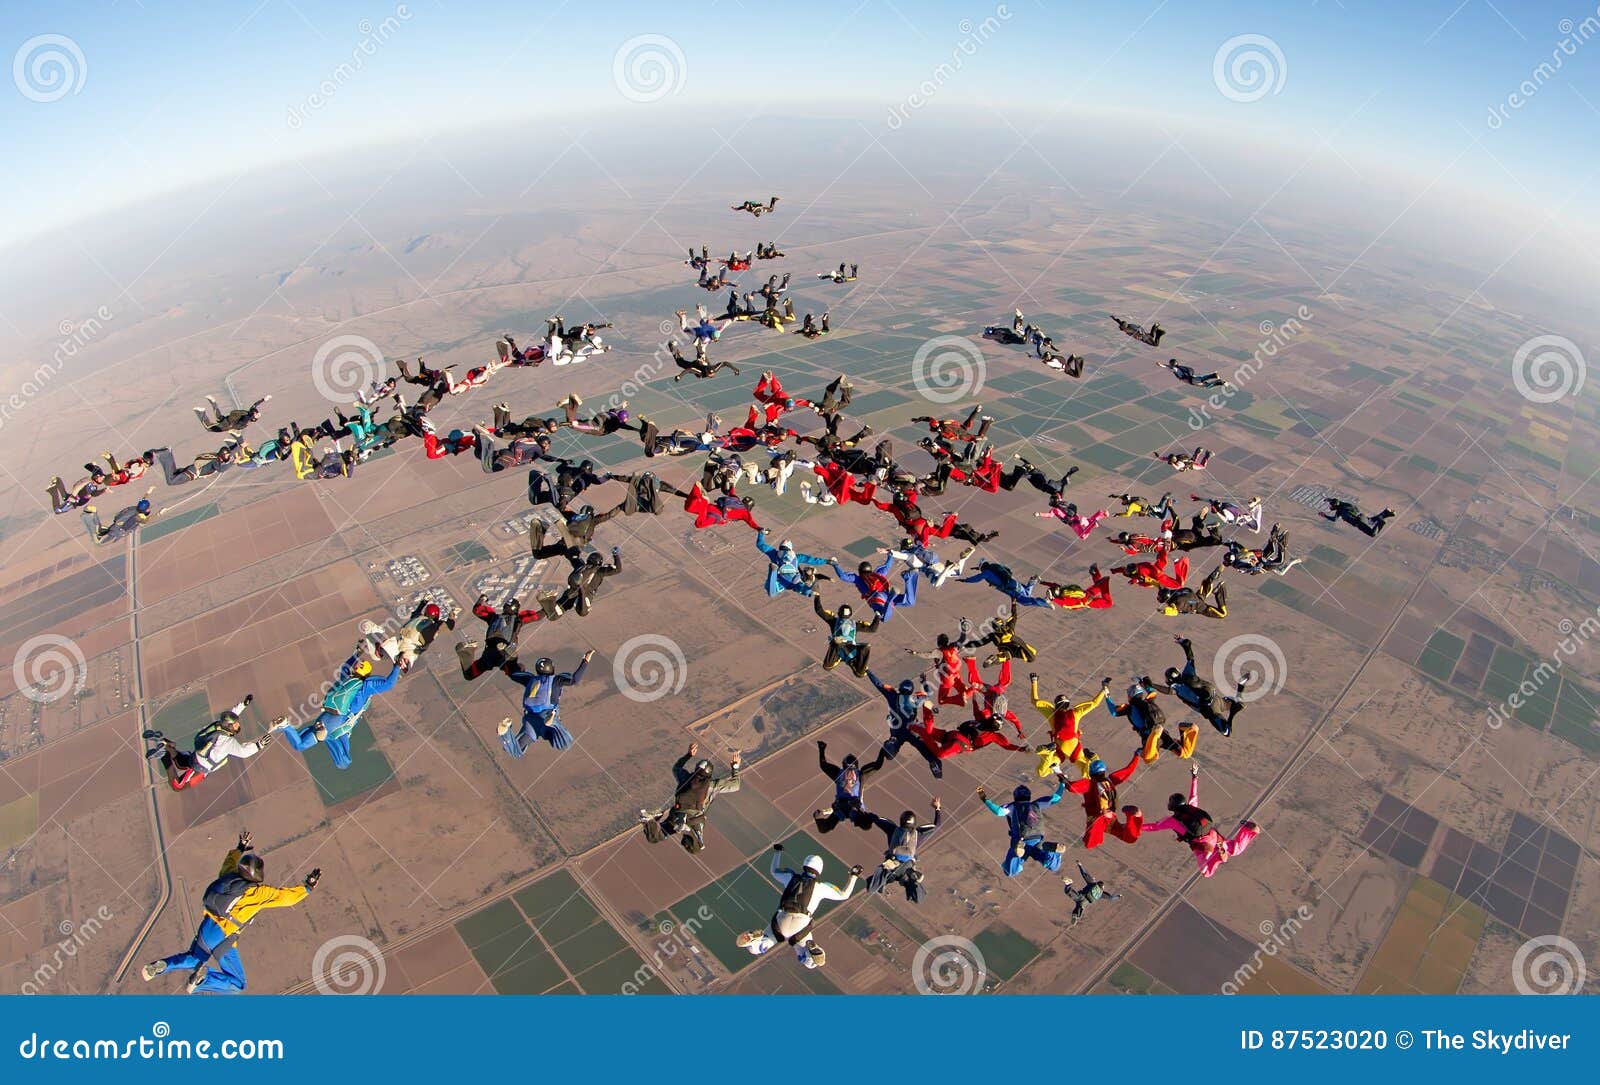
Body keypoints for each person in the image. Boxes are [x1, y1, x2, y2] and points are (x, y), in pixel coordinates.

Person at [140, 830, 320, 994]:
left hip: (214, 930)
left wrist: (240, 848)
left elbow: (229, 862)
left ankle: (162, 967)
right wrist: (307, 887)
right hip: (222, 933)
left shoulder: (229, 876)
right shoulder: (257, 893)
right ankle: (202, 981)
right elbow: (286, 898)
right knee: (236, 984)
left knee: (197, 960)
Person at [274, 646, 401, 769]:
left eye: (357, 665)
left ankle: (286, 727)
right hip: (337, 722)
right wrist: (397, 666)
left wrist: (357, 654)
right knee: (339, 760)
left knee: (341, 760)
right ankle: (288, 726)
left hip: (333, 720)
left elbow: (345, 667)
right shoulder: (365, 687)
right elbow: (388, 683)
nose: (355, 666)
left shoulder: (348, 680)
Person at [735, 846, 858, 969]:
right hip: (800, 924)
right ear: (819, 870)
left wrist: (777, 852)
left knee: (756, 949)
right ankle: (811, 953)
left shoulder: (790, 877)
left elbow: (774, 871)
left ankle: (755, 941)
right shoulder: (821, 887)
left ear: (804, 865)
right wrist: (853, 876)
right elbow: (844, 895)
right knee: (809, 963)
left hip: (782, 918)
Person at [1141, 764, 1259, 877]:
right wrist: (1194, 777)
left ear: (1173, 806)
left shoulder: (1171, 820)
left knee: (1206, 872)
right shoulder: (1191, 809)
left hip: (1203, 844)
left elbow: (1153, 827)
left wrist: (1136, 826)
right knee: (1235, 849)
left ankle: (1219, 857)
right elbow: (1194, 796)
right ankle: (1248, 830)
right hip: (1213, 835)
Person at [143, 695, 279, 792]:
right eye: (236, 725)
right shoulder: (227, 742)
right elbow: (243, 752)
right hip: (201, 767)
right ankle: (164, 754)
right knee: (177, 786)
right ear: (230, 727)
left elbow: (231, 715)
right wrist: (259, 745)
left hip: (196, 757)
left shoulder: (218, 725)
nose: (238, 725)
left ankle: (165, 743)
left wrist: (243, 705)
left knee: (179, 763)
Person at [640, 743, 742, 853]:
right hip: (694, 818)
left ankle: (649, 820)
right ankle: (687, 830)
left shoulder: (685, 777)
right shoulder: (712, 785)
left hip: (677, 814)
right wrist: (735, 768)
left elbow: (676, 767)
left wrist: (688, 755)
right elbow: (736, 785)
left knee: (654, 837)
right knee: (696, 848)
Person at [498, 651, 592, 757]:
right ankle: (552, 724)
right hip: (547, 714)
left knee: (516, 751)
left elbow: (513, 674)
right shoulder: (557, 680)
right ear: (552, 668)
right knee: (565, 743)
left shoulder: (529, 678)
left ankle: (505, 734)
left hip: (531, 719)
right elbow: (574, 679)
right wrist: (585, 661)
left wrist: (514, 661)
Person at [1157, 635, 1250, 735]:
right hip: (1215, 697)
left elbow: (1168, 691)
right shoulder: (1187, 673)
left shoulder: (1177, 687)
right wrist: (1184, 643)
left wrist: (1151, 685)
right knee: (1239, 702)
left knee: (1226, 732)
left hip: (1209, 707)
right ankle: (1240, 689)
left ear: (1170, 680)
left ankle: (1233, 711)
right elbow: (1190, 658)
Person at [979, 779, 1068, 876]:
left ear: (1015, 797)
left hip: (1022, 839)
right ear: (1029, 796)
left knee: (1009, 871)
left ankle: (1017, 853)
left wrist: (985, 800)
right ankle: (1051, 852)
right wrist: (1062, 784)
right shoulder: (1037, 804)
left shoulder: (1012, 807)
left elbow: (998, 811)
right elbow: (1055, 798)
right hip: (1038, 838)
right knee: (1053, 866)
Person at [864, 670, 945, 777]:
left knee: (890, 753)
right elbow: (929, 694)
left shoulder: (892, 696)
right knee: (922, 747)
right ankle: (934, 763)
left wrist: (868, 671)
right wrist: (924, 682)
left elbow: (878, 684)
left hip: (897, 732)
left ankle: (891, 746)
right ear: (911, 690)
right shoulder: (915, 698)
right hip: (912, 730)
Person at [1029, 673, 1110, 778]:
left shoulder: (1052, 714)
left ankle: (1047, 753)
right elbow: (1094, 703)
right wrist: (1104, 688)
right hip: (1074, 749)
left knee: (1042, 772)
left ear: (1056, 705)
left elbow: (1035, 701)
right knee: (1089, 774)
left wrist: (1034, 681)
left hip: (1059, 749)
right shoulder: (1076, 713)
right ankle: (1093, 759)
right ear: (1067, 704)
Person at [1105, 677, 1198, 761]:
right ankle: (1186, 729)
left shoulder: (1129, 708)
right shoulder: (1148, 701)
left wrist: (1106, 690)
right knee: (1184, 753)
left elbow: (1114, 711)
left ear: (1130, 696)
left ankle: (1155, 734)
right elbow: (1152, 691)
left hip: (1149, 736)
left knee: (1147, 757)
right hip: (1163, 734)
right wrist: (1142, 682)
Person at [866, 800, 942, 903]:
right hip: (906, 868)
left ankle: (885, 881)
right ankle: (911, 882)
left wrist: (862, 810)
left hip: (893, 866)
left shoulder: (892, 829)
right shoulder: (918, 834)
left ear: (901, 821)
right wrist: (937, 808)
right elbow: (937, 825)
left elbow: (876, 819)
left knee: (873, 881)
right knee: (905, 879)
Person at [1063, 752, 1144, 849]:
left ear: (1091, 773)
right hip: (1104, 818)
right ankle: (1135, 817)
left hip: (1101, 817)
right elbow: (1128, 771)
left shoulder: (1090, 784)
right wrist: (1136, 756)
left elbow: (1071, 787)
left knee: (1091, 842)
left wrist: (1059, 775)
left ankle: (1135, 817)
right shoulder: (1110, 780)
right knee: (1127, 838)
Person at [457, 595, 545, 680]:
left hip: (489, 652)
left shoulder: (493, 617)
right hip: (504, 653)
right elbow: (537, 616)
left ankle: (467, 651)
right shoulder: (518, 619)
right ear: (516, 609)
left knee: (469, 674)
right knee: (517, 672)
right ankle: (510, 655)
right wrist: (547, 608)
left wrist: (482, 599)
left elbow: (476, 610)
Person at [813, 740, 887, 833]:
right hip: (843, 807)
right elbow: (824, 765)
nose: (850, 773)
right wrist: (822, 749)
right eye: (847, 770)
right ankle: (821, 816)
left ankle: (861, 812)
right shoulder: (838, 774)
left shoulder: (861, 775)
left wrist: (883, 751)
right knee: (823, 828)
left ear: (856, 768)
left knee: (866, 825)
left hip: (853, 807)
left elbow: (877, 765)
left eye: (853, 770)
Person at [362, 601, 457, 671]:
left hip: (400, 641)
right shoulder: (433, 626)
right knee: (413, 654)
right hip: (412, 647)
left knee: (384, 653)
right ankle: (405, 660)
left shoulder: (418, 617)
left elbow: (416, 611)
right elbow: (449, 626)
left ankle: (381, 652)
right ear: (437, 615)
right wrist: (452, 616)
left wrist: (423, 602)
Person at [832, 557, 920, 622]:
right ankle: (908, 577)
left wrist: (835, 565)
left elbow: (843, 576)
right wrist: (890, 555)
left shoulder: (858, 579)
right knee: (910, 602)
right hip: (885, 594)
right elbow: (887, 566)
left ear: (860, 571)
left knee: (883, 618)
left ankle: (891, 598)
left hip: (876, 598)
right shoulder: (876, 575)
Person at [814, 596, 878, 677]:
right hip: (851, 649)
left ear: (839, 613)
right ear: (850, 614)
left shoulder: (833, 621)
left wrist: (817, 596)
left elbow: (819, 611)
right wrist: (878, 615)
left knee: (827, 666)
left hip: (838, 649)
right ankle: (864, 651)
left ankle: (836, 644)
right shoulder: (855, 625)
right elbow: (872, 629)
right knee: (860, 673)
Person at [756, 531, 833, 598]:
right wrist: (826, 561)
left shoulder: (774, 553)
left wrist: (761, 533)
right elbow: (812, 560)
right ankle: (808, 591)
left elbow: (760, 544)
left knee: (771, 591)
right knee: (799, 586)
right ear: (790, 548)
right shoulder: (797, 557)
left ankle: (772, 571)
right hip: (793, 580)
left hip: (780, 580)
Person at [81, 492, 165, 544]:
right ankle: (93, 515)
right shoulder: (139, 516)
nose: (149, 509)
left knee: (102, 531)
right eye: (148, 508)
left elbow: (142, 500)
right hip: (117, 531)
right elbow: (146, 520)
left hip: (116, 526)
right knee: (99, 542)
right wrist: (158, 514)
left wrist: (148, 492)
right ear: (144, 510)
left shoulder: (135, 508)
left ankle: (93, 516)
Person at [1155, 566, 1229, 619]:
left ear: (1166, 598)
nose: (1158, 598)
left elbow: (1174, 612)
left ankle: (1219, 591)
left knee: (1223, 614)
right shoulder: (1171, 593)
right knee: (1204, 592)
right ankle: (1211, 578)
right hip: (1195, 598)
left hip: (1200, 606)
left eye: (1160, 598)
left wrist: (1165, 611)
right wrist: (1150, 580)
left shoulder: (1175, 603)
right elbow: (1159, 586)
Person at [194, 394, 271, 434]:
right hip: (225, 425)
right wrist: (252, 417)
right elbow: (241, 423)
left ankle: (213, 402)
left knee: (218, 416)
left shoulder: (249, 412)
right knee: (208, 428)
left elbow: (255, 405)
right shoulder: (246, 420)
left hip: (226, 419)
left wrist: (264, 399)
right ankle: (202, 412)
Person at [1324, 497, 1394, 537]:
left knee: (1372, 534)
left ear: (1335, 506)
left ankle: (1380, 521)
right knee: (1371, 521)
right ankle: (1386, 513)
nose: (1330, 507)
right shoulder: (1345, 504)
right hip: (1362, 516)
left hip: (1358, 522)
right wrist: (1329, 500)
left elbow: (1334, 519)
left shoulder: (1339, 511)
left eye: (1331, 505)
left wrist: (1324, 515)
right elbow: (1337, 502)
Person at [1160, 358, 1229, 389]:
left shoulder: (1175, 369)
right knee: (1206, 385)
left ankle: (1215, 377)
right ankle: (1221, 382)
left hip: (1192, 381)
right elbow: (1169, 367)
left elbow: (1169, 368)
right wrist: (1163, 365)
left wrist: (1161, 365)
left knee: (1204, 383)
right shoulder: (1178, 368)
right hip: (1192, 379)